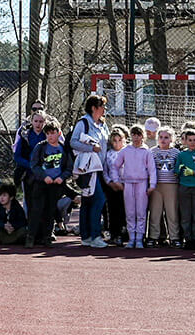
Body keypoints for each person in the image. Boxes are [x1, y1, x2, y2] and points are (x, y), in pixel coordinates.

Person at [69, 96, 111, 248]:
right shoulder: (83, 123)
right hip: (88, 169)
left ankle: (85, 236)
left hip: (100, 169)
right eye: (102, 106)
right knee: (98, 199)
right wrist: (91, 148)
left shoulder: (103, 125)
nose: (104, 109)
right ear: (94, 108)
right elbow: (73, 142)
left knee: (87, 201)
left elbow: (107, 144)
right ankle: (95, 236)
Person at [114, 127, 155, 250]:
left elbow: (152, 170)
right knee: (130, 212)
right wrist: (116, 180)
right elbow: (115, 166)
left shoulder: (147, 151)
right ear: (130, 136)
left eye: (139, 135)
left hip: (142, 183)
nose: (136, 137)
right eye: (134, 135)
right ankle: (131, 238)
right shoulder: (125, 150)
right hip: (128, 184)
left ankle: (139, 239)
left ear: (143, 136)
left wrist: (152, 185)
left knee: (141, 212)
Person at [27, 123, 68, 247]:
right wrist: (44, 176)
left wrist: (62, 177)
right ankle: (31, 237)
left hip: (55, 185)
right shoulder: (40, 147)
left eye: (53, 133)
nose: (50, 136)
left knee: (50, 211)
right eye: (48, 134)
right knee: (36, 210)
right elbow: (34, 165)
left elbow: (69, 167)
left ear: (59, 133)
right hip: (41, 184)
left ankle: (47, 237)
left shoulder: (63, 149)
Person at [174, 127, 195, 252]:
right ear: (185, 141)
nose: (193, 142)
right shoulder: (182, 154)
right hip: (184, 187)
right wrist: (180, 169)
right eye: (190, 140)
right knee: (185, 215)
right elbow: (176, 170)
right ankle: (187, 239)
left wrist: (193, 172)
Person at [147, 127, 178, 246]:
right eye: (161, 137)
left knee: (172, 212)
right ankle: (153, 236)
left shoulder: (176, 152)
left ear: (171, 139)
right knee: (155, 212)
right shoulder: (152, 151)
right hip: (156, 186)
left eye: (166, 137)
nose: (163, 140)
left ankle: (174, 237)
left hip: (171, 185)